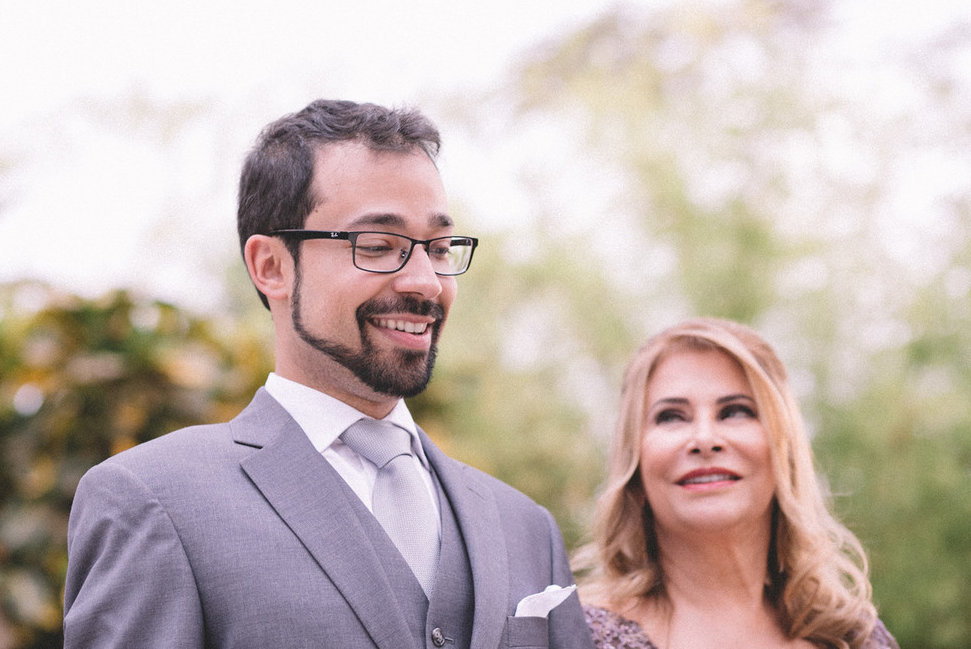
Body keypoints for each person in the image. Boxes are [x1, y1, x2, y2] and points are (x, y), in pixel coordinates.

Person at [63, 99, 595, 649]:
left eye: (438, 249)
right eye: (378, 246)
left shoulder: (528, 528)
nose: (425, 282)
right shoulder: (153, 501)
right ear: (271, 266)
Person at [571, 317, 898, 649]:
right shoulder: (577, 638)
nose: (704, 439)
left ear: (783, 451)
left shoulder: (854, 638)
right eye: (671, 416)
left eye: (735, 411)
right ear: (636, 464)